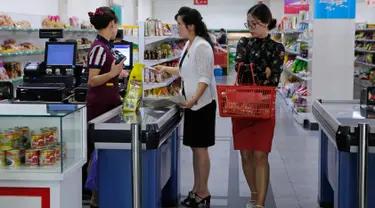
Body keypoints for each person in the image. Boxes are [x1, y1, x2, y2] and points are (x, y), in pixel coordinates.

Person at [154, 6, 217, 208]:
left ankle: (203, 191)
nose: (177, 28)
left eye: (179, 24)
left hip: (202, 105)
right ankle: (197, 189)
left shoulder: (201, 47)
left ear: (191, 25)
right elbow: (185, 71)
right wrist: (165, 68)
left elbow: (204, 78)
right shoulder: (189, 45)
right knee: (195, 149)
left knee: (200, 150)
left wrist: (193, 100)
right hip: (191, 104)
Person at [232, 4, 284, 208]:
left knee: (261, 154)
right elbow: (239, 68)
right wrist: (265, 69)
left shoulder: (277, 47)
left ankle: (260, 204)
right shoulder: (244, 42)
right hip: (242, 106)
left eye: (254, 23)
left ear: (266, 23)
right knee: (245, 155)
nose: (250, 27)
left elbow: (274, 80)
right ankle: (253, 195)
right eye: (248, 23)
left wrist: (255, 69)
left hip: (264, 106)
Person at [84, 7, 125, 208]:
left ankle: (101, 196)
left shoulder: (106, 46)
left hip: (108, 103)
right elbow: (92, 80)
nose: (117, 28)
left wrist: (118, 74)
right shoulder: (100, 48)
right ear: (111, 25)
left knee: (103, 151)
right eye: (116, 24)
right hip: (99, 105)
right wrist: (112, 73)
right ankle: (94, 199)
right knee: (96, 151)